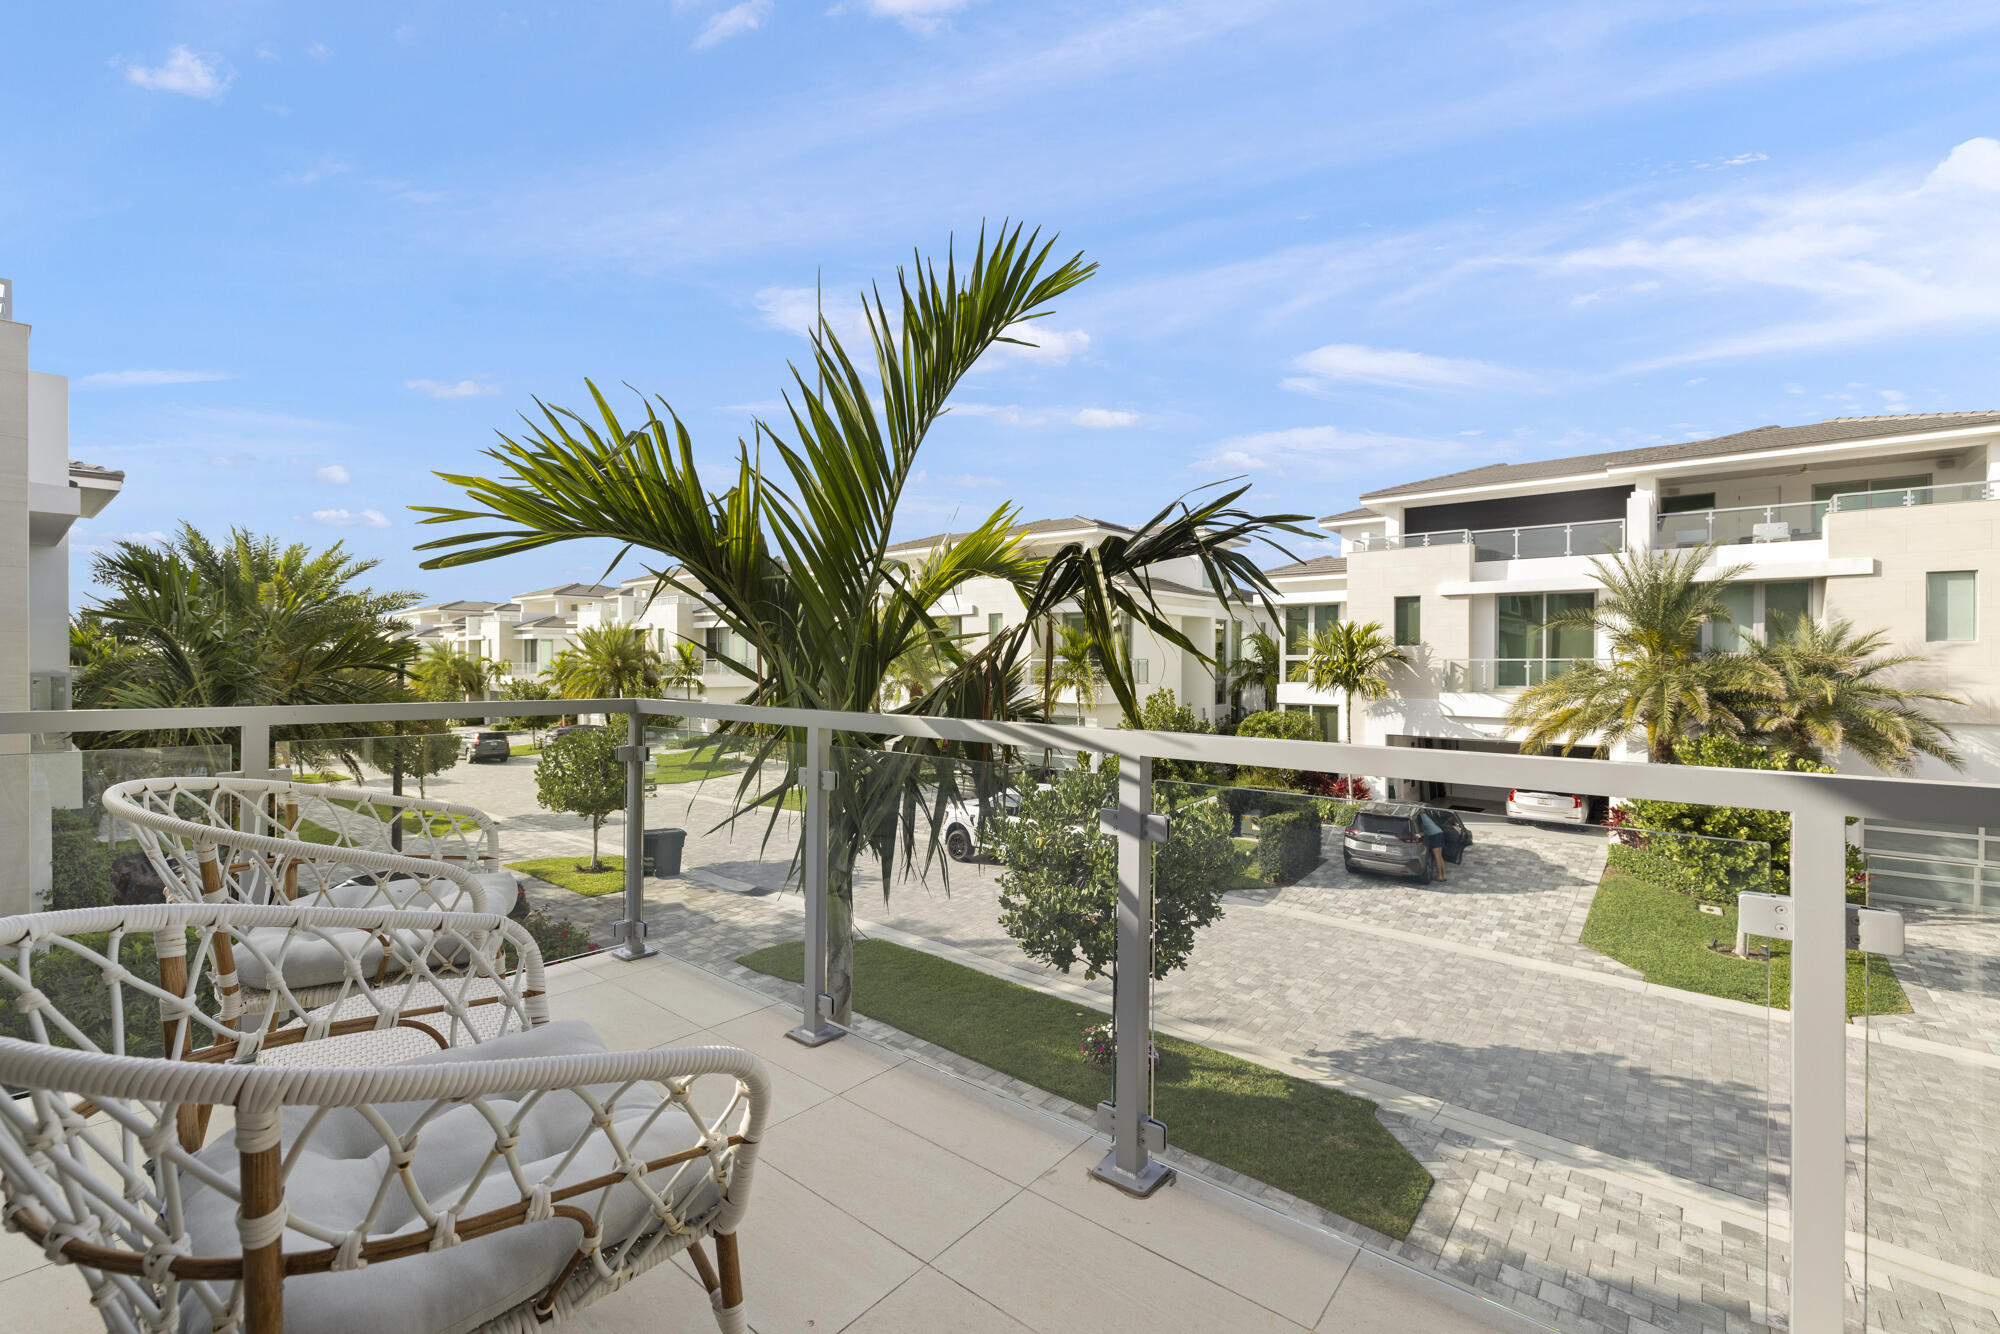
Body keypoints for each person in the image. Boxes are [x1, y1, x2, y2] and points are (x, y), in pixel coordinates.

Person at [1417, 808, 1448, 882]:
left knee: (1437, 856)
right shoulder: (1425, 815)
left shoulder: (1419, 816)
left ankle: (1440, 876)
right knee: (1440, 856)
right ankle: (1444, 876)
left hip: (1434, 835)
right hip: (1439, 832)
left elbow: (1421, 830)